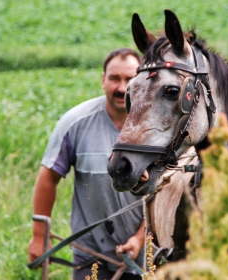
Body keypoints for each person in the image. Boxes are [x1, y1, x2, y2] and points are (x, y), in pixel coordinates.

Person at [28, 48, 145, 280]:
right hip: (89, 253)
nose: (122, 88)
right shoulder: (76, 122)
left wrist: (141, 238)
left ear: (141, 81)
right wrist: (39, 235)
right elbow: (48, 178)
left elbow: (165, 192)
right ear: (103, 80)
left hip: (145, 256)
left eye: (130, 79)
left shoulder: (156, 129)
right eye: (114, 78)